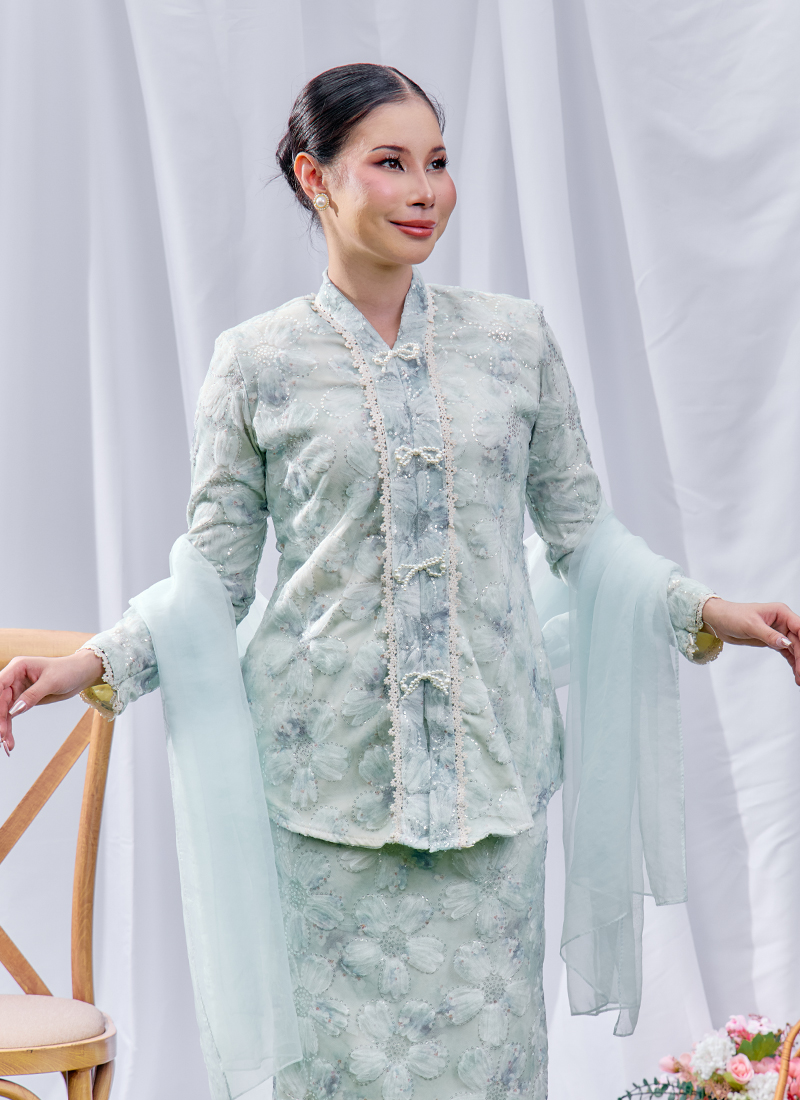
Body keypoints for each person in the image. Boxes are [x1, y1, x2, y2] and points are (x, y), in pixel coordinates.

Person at [1, 63, 798, 1100]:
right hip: (320, 801)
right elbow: (213, 575)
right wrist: (89, 665)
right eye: (390, 162)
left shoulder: (514, 343)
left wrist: (712, 612)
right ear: (315, 178)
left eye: (438, 162)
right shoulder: (256, 362)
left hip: (488, 789)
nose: (425, 191)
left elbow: (581, 536)